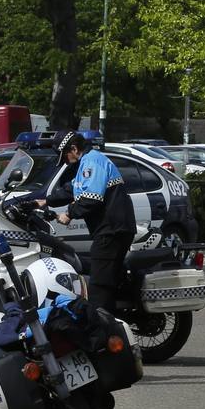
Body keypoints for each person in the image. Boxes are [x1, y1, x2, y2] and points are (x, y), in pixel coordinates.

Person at [46, 132, 134, 314]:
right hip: (112, 229)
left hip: (112, 230)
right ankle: (114, 322)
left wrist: (69, 214)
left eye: (64, 156)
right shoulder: (87, 163)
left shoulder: (92, 162)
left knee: (99, 286)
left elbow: (91, 199)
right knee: (108, 280)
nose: (65, 161)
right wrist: (45, 201)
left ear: (74, 149)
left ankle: (102, 332)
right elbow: (72, 189)